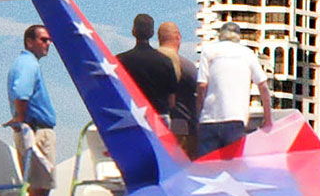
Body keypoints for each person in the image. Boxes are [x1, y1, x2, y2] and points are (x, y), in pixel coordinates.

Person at [6, 22, 57, 196]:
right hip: (36, 131)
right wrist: (21, 117)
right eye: (43, 39)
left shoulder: (24, 63)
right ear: (30, 41)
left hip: (32, 129)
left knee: (39, 185)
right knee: (40, 185)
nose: (48, 43)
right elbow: (21, 92)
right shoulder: (28, 64)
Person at [191, 30, 270, 159]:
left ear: (220, 37)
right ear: (238, 38)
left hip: (209, 121)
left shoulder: (208, 51)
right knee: (233, 166)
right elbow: (263, 87)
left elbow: (201, 86)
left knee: (206, 166)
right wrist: (268, 119)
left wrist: (199, 114)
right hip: (235, 120)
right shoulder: (247, 53)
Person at [114, 13, 182, 137]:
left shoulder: (120, 61)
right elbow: (171, 101)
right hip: (159, 119)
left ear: (133, 31)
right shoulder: (165, 61)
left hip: (130, 118)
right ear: (152, 33)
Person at [154, 21, 201, 149]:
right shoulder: (187, 67)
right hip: (181, 128)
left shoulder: (147, 64)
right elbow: (199, 94)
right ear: (178, 37)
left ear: (159, 38)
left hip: (153, 127)